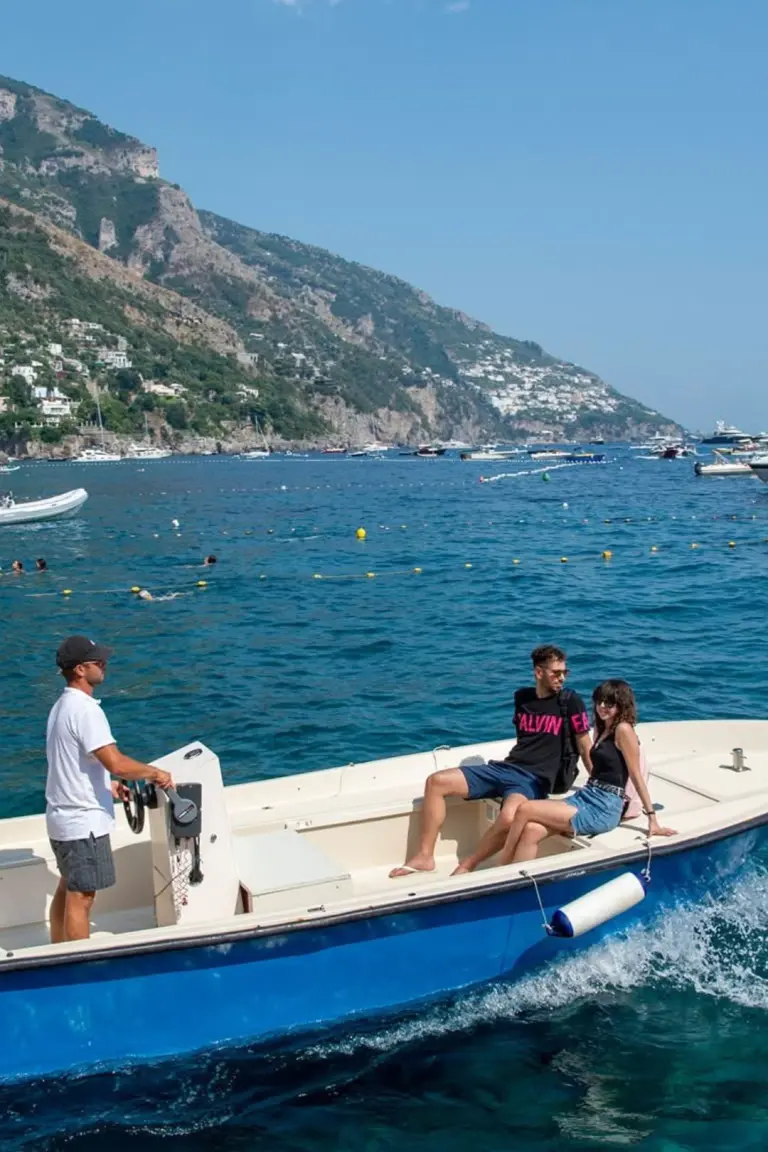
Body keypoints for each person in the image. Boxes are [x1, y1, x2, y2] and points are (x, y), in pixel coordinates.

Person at [389, 645, 592, 878]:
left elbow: (585, 744)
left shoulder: (570, 701)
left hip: (534, 779)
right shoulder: (522, 698)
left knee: (508, 817)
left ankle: (468, 864)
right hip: (506, 767)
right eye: (556, 673)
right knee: (436, 782)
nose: (562, 678)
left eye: (565, 672)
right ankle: (424, 856)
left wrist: (598, 786)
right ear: (538, 672)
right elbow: (526, 741)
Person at [46, 635, 174, 944]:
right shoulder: (87, 711)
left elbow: (73, 763)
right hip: (83, 824)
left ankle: (57, 952)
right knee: (83, 897)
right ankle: (78, 966)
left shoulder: (61, 707)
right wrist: (155, 772)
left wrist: (109, 787)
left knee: (68, 886)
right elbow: (116, 762)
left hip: (62, 819)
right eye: (96, 661)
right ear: (79, 670)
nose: (104, 664)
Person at [496, 679, 676, 866]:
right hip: (587, 795)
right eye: (599, 701)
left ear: (622, 705)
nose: (602, 707)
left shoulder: (623, 730)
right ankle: (519, 883)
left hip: (604, 806)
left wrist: (652, 818)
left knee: (525, 808)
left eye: (609, 703)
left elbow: (636, 774)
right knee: (532, 830)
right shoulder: (602, 728)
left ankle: (501, 866)